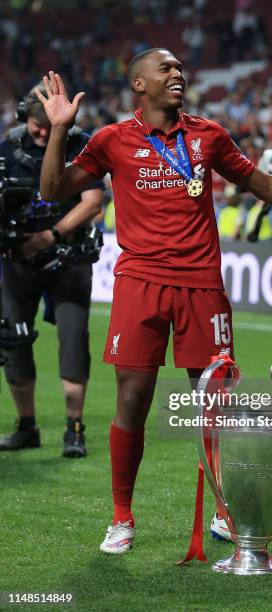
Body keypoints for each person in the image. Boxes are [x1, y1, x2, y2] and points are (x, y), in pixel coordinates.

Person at [35, 49, 272, 554]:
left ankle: (228, 509)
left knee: (216, 405)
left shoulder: (208, 135)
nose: (177, 75)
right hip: (140, 283)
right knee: (132, 400)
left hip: (202, 284)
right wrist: (58, 130)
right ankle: (121, 516)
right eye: (166, 70)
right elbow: (53, 190)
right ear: (139, 85)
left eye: (180, 69)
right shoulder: (111, 141)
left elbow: (261, 183)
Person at [0, 85, 104, 458]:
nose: (43, 133)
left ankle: (74, 428)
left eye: (49, 127)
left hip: (69, 258)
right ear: (23, 118)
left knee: (73, 339)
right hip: (17, 260)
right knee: (13, 341)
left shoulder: (79, 143)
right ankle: (26, 426)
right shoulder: (8, 148)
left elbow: (93, 202)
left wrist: (49, 235)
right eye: (36, 125)